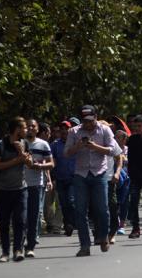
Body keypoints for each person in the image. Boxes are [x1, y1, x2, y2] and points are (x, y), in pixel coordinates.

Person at [65, 105, 117, 257]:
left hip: (99, 173)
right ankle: (84, 245)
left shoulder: (104, 130)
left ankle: (103, 236)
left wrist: (95, 146)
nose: (87, 124)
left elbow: (113, 150)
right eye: (84, 121)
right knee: (80, 211)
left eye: (90, 120)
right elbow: (66, 153)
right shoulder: (74, 132)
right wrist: (78, 146)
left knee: (102, 209)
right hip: (80, 174)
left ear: (95, 117)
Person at [0, 117, 33, 263]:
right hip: (3, 189)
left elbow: (30, 163)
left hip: (21, 189)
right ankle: (4, 252)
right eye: (24, 128)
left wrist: (23, 154)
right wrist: (17, 160)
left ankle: (18, 250)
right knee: (4, 222)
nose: (27, 130)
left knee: (20, 221)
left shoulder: (25, 143)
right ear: (17, 129)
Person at [23, 119, 54, 258]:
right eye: (27, 126)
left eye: (33, 126)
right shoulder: (18, 143)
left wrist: (40, 166)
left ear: (37, 129)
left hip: (36, 184)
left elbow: (51, 163)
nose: (30, 128)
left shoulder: (43, 144)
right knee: (21, 216)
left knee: (34, 215)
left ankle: (31, 245)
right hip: (19, 184)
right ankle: (21, 242)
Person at [51, 122, 76, 236]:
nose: (64, 131)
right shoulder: (55, 145)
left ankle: (71, 222)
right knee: (63, 203)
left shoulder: (76, 142)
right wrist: (52, 178)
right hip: (60, 178)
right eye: (62, 129)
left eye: (67, 128)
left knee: (71, 201)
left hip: (74, 178)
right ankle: (67, 223)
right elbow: (52, 161)